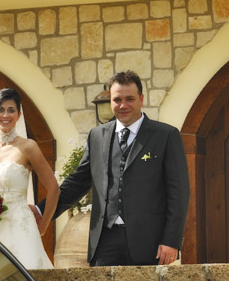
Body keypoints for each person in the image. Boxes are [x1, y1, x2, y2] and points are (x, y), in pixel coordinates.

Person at [37, 70, 190, 266]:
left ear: (141, 99)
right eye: (117, 99)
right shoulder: (97, 136)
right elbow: (78, 183)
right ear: (110, 101)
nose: (123, 105)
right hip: (104, 240)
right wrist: (41, 211)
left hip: (149, 242)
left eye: (129, 99)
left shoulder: (166, 135)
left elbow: (179, 193)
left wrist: (171, 241)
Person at [0, 87, 60, 269]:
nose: (6, 115)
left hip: (20, 228)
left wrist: (43, 226)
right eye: (1, 109)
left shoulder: (28, 147)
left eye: (11, 110)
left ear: (19, 115)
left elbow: (54, 189)